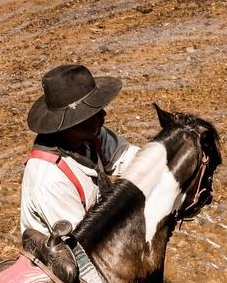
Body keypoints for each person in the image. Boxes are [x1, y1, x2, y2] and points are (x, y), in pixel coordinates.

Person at [22, 63, 139, 237]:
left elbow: (130, 158)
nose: (103, 115)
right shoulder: (50, 180)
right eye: (93, 112)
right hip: (73, 254)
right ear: (73, 123)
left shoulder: (91, 137)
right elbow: (83, 243)